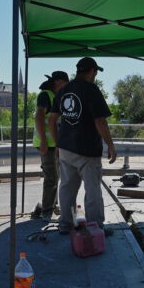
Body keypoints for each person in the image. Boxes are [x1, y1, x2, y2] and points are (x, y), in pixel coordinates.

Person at [49, 57, 117, 235]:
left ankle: (65, 225)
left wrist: (57, 143)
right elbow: (100, 120)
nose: (95, 75)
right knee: (92, 189)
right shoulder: (91, 89)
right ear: (92, 71)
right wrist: (110, 144)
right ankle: (96, 228)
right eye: (95, 72)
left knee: (67, 188)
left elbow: (51, 119)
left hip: (66, 149)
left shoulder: (64, 90)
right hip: (87, 149)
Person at [31, 71, 69, 221]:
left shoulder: (55, 96)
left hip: (55, 144)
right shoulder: (45, 95)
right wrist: (43, 142)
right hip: (46, 143)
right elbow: (39, 117)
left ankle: (52, 205)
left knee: (56, 176)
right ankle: (47, 211)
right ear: (59, 82)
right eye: (65, 83)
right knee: (52, 177)